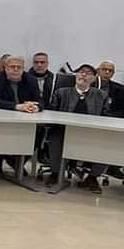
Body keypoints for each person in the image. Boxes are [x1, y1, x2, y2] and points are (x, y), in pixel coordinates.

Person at [46, 64, 110, 194]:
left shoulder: (101, 95)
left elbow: (106, 117)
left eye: (88, 73)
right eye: (81, 72)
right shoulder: (61, 92)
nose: (84, 75)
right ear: (76, 75)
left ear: (94, 78)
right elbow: (52, 113)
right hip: (63, 131)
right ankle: (55, 173)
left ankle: (92, 178)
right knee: (54, 139)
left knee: (107, 145)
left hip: (91, 134)